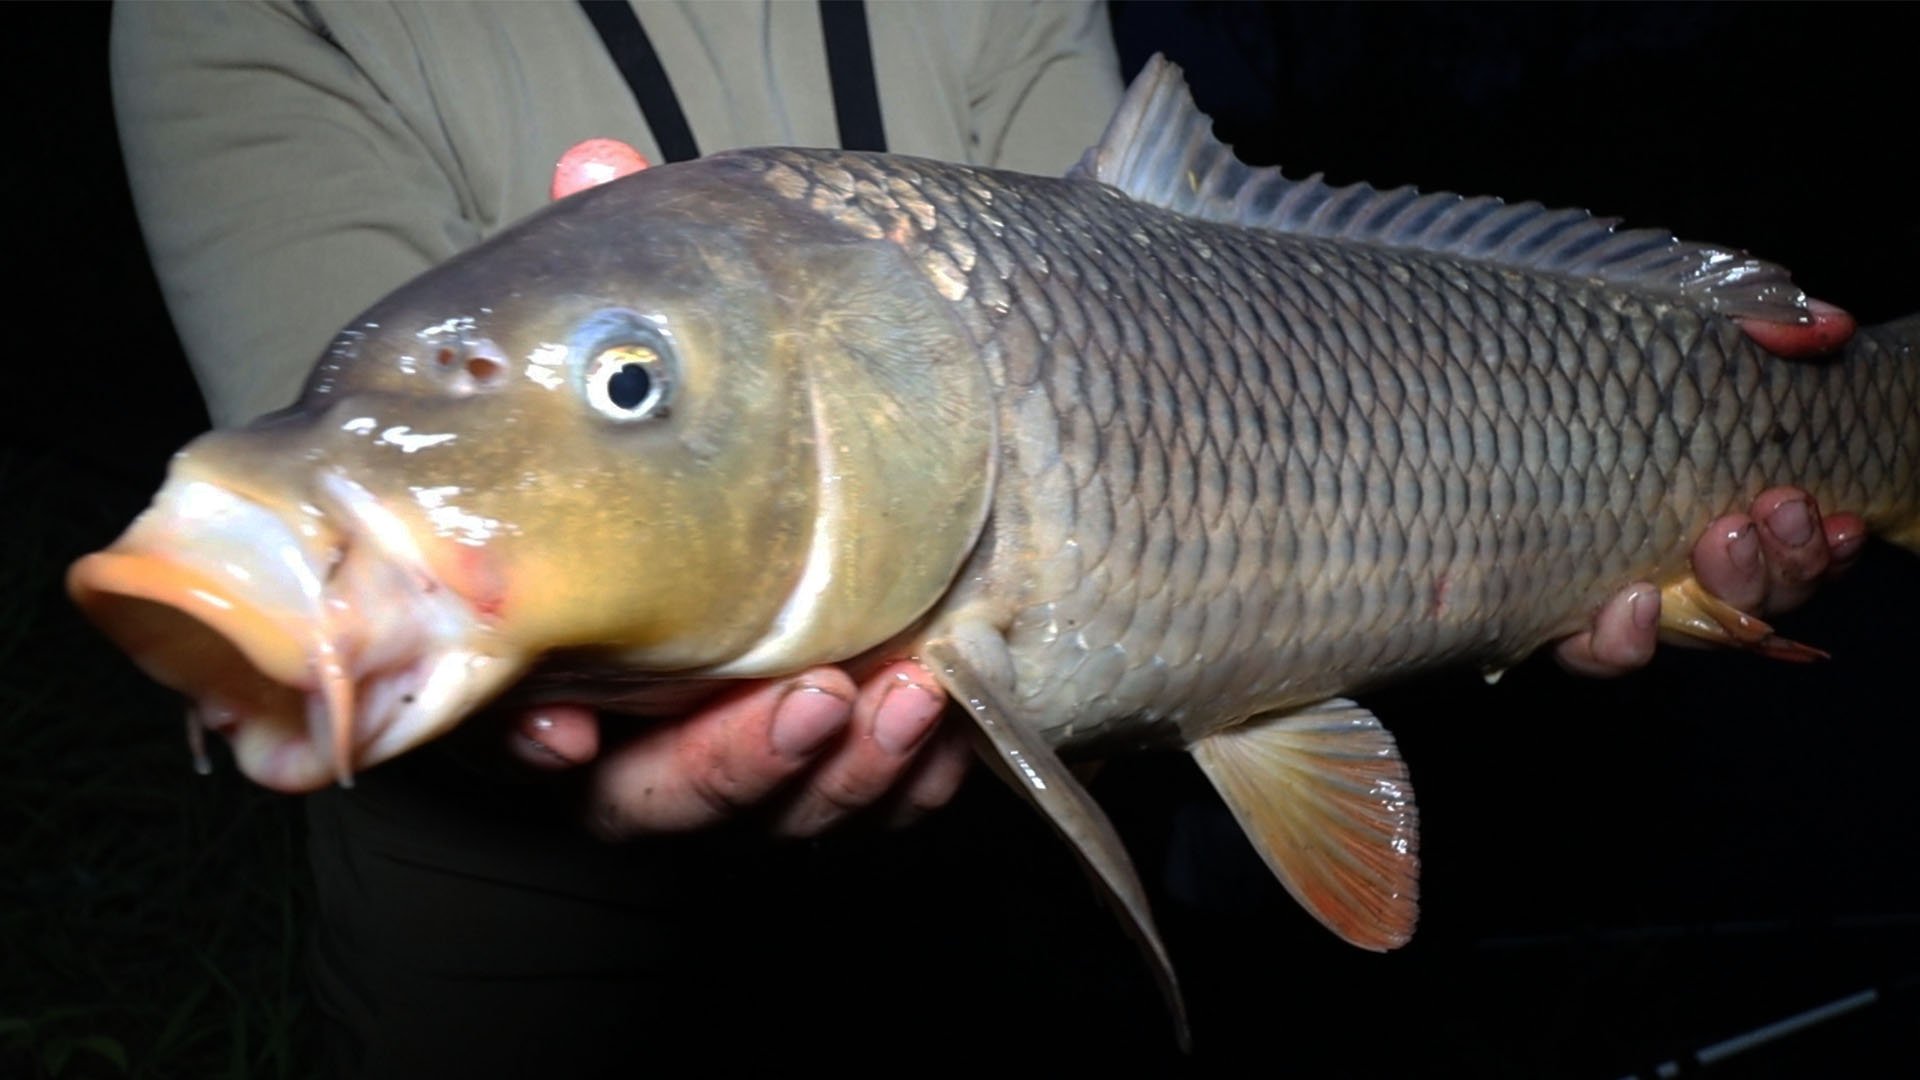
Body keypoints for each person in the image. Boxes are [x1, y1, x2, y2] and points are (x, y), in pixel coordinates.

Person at [111, 2, 1864, 1073]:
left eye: (637, 379)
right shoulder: (250, 12)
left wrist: (1562, 538)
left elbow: (1131, 225)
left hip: (997, 959)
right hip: (517, 987)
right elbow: (372, 445)